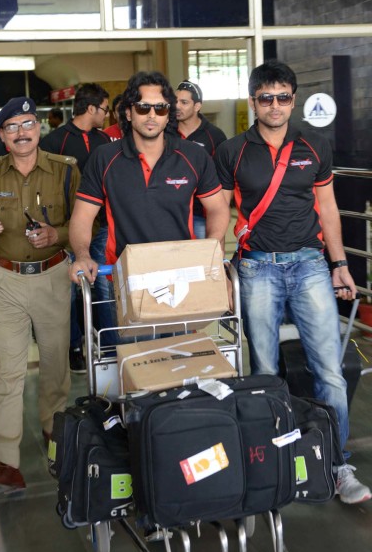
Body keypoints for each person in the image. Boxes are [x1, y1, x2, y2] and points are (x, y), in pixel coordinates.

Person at [214, 59, 371, 506]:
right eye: (267, 98)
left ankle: (338, 465)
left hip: (309, 265)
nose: (276, 105)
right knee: (264, 370)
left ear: (293, 99)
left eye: (284, 97)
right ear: (253, 102)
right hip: (257, 267)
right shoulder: (232, 151)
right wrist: (217, 263)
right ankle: (273, 461)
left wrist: (340, 263)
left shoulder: (314, 144)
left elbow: (328, 207)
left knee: (330, 372)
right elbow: (219, 209)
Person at [68, 70, 230, 342]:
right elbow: (82, 218)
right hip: (123, 282)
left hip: (181, 282)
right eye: (143, 107)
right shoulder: (105, 158)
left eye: (160, 108)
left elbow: (218, 208)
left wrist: (212, 257)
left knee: (179, 365)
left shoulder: (193, 156)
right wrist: (83, 255)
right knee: (132, 367)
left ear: (169, 113)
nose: (152, 115)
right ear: (129, 113)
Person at [0, 96, 80, 494]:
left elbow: (87, 222)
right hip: (6, 281)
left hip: (52, 277)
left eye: (28, 123)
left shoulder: (65, 172)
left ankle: (54, 430)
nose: (21, 133)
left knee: (55, 364)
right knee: (8, 370)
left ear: (39, 128)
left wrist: (58, 235)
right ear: (1, 134)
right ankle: (6, 460)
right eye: (12, 126)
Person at [40, 83, 112, 373]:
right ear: (91, 108)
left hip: (103, 226)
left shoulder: (105, 141)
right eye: (105, 109)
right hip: (68, 228)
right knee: (70, 292)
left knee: (103, 286)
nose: (107, 115)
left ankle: (106, 344)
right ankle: (73, 347)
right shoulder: (54, 141)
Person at [175, 80, 227, 239]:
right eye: (175, 101)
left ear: (197, 106)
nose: (177, 106)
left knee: (202, 261)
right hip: (171, 214)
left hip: (201, 214)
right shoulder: (165, 132)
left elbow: (222, 179)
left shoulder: (215, 136)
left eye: (184, 102)